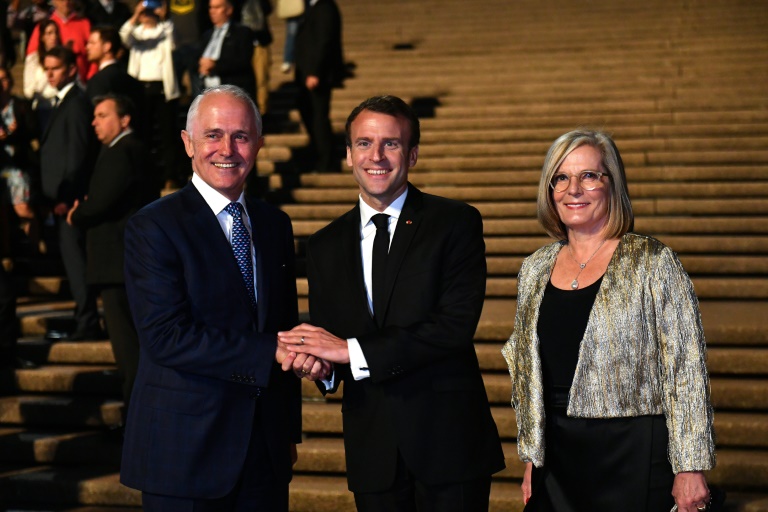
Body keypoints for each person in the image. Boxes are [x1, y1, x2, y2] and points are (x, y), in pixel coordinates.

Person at [278, 95, 505, 511]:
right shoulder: (324, 245)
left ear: (412, 154)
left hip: (448, 447)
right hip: (372, 451)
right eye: (364, 143)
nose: (376, 156)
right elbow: (333, 341)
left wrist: (348, 352)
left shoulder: (454, 223)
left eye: (391, 144)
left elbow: (452, 328)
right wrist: (319, 366)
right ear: (348, 155)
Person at [501, 129, 716, 512]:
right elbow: (527, 372)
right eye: (561, 177)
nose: (573, 189)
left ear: (612, 184)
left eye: (589, 175)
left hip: (632, 451)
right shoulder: (534, 268)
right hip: (557, 456)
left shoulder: (652, 261)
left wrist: (691, 465)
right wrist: (532, 457)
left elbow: (686, 369)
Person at [120, 85, 308, 510]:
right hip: (185, 453)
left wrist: (288, 432)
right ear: (188, 143)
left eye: (241, 136)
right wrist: (270, 350)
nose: (227, 149)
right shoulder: (153, 226)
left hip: (264, 453)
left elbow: (283, 326)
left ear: (258, 144)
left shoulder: (275, 224)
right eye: (213, 135)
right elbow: (165, 337)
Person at [66, 94, 155, 422]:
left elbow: (103, 201)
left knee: (127, 348)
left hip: (117, 263)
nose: (95, 122)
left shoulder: (123, 150)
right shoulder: (131, 150)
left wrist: (78, 213)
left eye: (103, 115)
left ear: (125, 119)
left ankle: (135, 420)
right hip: (125, 262)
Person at [40, 45, 101, 341]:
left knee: (76, 262)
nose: (49, 74)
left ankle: (88, 322)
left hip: (71, 200)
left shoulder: (76, 103)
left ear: (72, 70)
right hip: (60, 198)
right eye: (46, 69)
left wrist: (67, 197)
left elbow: (77, 154)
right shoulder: (62, 101)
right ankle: (83, 317)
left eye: (55, 69)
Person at [119, 0, 181, 187]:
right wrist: (135, 15)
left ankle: (170, 175)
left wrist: (164, 17)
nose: (147, 14)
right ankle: (144, 175)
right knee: (142, 132)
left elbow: (174, 41)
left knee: (167, 133)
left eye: (150, 10)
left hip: (162, 87)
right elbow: (123, 36)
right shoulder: (136, 33)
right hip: (140, 87)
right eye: (145, 11)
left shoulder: (165, 30)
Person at [293, 0, 344, 172]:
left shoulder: (325, 8)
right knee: (306, 109)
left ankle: (326, 159)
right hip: (307, 72)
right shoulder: (314, 8)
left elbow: (324, 41)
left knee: (318, 117)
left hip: (317, 74)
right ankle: (317, 151)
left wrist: (315, 72)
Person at [197, 0, 255, 99]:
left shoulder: (242, 33)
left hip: (232, 92)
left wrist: (214, 65)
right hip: (207, 92)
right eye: (211, 7)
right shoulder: (207, 35)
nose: (212, 11)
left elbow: (242, 61)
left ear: (229, 10)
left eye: (217, 7)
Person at [26, 0, 95, 81]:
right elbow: (32, 61)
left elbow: (95, 57)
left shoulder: (85, 24)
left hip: (81, 83)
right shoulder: (44, 27)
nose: (66, 2)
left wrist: (90, 79)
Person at [23, 18, 60, 119]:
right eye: (49, 33)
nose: (54, 37)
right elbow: (28, 91)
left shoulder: (64, 57)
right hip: (42, 108)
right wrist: (47, 72)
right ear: (42, 37)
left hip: (62, 106)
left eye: (56, 32)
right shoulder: (34, 59)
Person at [240, 0, 273, 114]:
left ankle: (262, 112)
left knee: (261, 79)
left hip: (259, 42)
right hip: (240, 43)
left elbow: (267, 8)